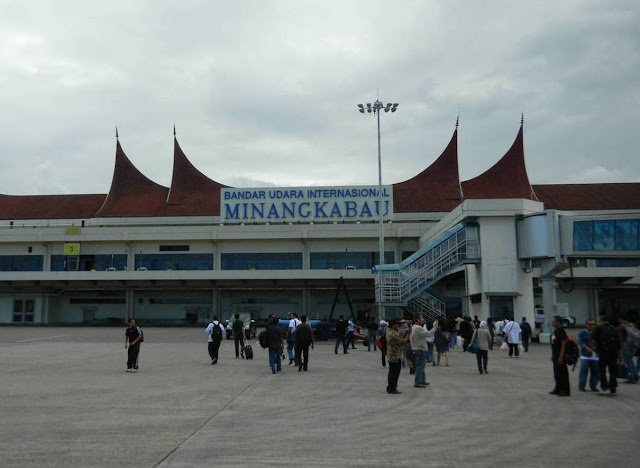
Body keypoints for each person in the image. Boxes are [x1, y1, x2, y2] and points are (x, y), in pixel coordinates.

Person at [591, 315, 621, 395]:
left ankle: (604, 387)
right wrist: (619, 355)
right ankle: (612, 388)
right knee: (612, 371)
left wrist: (593, 349)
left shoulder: (598, 328)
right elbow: (618, 344)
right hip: (613, 353)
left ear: (601, 321)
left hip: (602, 353)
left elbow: (593, 340)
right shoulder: (614, 329)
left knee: (601, 371)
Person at [410, 315, 437, 388]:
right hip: (420, 349)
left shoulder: (414, 327)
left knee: (421, 366)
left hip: (418, 348)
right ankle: (418, 382)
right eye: (421, 318)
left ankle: (422, 380)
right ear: (417, 320)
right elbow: (429, 334)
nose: (423, 319)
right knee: (419, 367)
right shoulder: (418, 328)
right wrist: (434, 327)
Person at [385, 319, 411, 394]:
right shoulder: (393, 333)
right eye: (397, 325)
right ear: (393, 325)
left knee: (392, 371)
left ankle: (390, 387)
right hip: (395, 355)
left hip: (391, 354)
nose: (398, 326)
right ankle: (392, 388)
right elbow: (403, 341)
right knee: (395, 373)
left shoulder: (389, 331)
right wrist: (407, 334)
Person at [549, 315, 570, 396]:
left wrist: (561, 356)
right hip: (555, 355)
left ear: (558, 322)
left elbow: (564, 343)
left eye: (553, 321)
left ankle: (565, 390)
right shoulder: (556, 330)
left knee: (562, 373)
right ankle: (558, 388)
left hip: (560, 355)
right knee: (557, 373)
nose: (552, 322)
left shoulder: (560, 330)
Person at [577, 319, 599, 392]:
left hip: (595, 355)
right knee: (584, 371)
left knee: (595, 372)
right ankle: (581, 385)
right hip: (585, 355)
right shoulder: (582, 333)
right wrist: (586, 348)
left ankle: (593, 386)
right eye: (589, 324)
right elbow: (580, 342)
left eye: (593, 324)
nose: (591, 326)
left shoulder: (596, 333)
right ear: (586, 325)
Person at [617, 314, 639, 384]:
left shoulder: (622, 326)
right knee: (630, 361)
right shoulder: (632, 325)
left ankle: (632, 377)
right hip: (633, 345)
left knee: (628, 361)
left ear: (621, 319)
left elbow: (620, 336)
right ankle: (634, 375)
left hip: (626, 345)